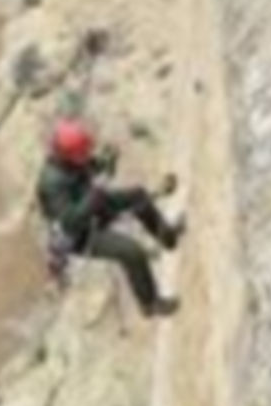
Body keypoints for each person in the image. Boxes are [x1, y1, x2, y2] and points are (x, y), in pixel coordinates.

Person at [36, 119, 184, 318]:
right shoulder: (51, 184)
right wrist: (95, 194)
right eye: (82, 154)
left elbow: (91, 166)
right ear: (69, 155)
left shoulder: (71, 161)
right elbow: (70, 222)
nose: (86, 156)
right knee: (132, 252)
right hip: (80, 235)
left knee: (139, 196)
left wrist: (107, 161)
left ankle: (167, 236)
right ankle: (150, 303)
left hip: (94, 206)